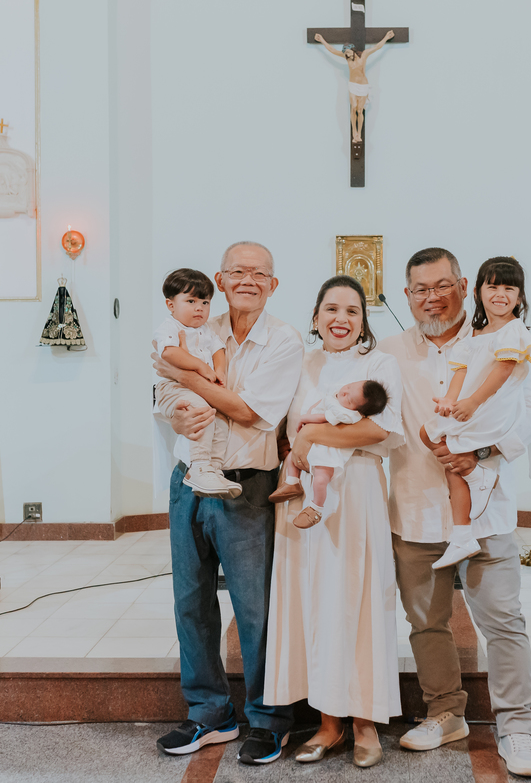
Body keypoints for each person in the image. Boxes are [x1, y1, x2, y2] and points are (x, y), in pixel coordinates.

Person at [379, 247, 531, 778]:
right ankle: (445, 712)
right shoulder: (387, 352)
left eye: (442, 285)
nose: (432, 297)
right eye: (420, 289)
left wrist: (482, 452)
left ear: (464, 284)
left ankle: (516, 728)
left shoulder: (496, 343)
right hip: (413, 510)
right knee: (426, 624)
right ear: (406, 295)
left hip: (485, 508)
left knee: (503, 621)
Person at [153, 242, 303, 765]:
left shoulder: (284, 341)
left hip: (247, 487)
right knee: (191, 604)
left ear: (273, 284)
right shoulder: (199, 325)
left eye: (259, 273)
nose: (248, 280)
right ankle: (209, 714)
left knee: (255, 609)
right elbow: (158, 386)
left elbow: (247, 411)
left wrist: (187, 379)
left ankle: (268, 718)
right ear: (221, 278)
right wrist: (173, 410)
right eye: (237, 271)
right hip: (187, 482)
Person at [264, 276, 405, 769]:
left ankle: (365, 722)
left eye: (351, 310)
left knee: (358, 600)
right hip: (304, 496)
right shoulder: (301, 364)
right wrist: (299, 447)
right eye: (330, 309)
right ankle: (328, 723)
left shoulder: (380, 364)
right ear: (316, 316)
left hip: (358, 493)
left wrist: (313, 436)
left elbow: (382, 428)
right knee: (315, 603)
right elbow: (281, 426)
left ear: (363, 320)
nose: (340, 319)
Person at [422, 257, 531, 569]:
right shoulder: (473, 336)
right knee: (431, 437)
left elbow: (503, 372)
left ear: (519, 297)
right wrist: (449, 401)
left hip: (489, 415)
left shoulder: (514, 333)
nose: (500, 294)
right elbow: (461, 372)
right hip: (469, 411)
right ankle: (463, 532)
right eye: (493, 286)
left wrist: (472, 404)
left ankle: (475, 481)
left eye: (510, 288)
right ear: (478, 291)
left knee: (453, 454)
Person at [151, 268, 238, 499]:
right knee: (201, 413)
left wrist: (219, 370)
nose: (199, 307)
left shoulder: (205, 330)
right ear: (171, 305)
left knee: (220, 421)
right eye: (190, 301)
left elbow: (219, 349)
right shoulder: (170, 327)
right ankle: (198, 467)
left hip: (199, 392)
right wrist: (201, 367)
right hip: (173, 389)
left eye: (205, 302)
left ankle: (213, 469)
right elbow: (169, 353)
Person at [268, 378, 390, 529]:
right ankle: (292, 482)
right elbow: (320, 405)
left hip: (327, 452)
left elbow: (324, 417)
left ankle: (316, 509)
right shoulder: (338, 396)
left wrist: (305, 419)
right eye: (349, 386)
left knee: (320, 480)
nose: (344, 392)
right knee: (291, 458)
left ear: (357, 410)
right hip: (314, 445)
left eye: (349, 398)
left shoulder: (347, 414)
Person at [314, 30, 395, 147]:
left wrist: (386, 37)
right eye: (345, 54)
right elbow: (332, 50)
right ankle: (354, 134)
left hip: (363, 86)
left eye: (348, 52)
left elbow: (377, 47)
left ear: (352, 50)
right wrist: (322, 40)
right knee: (353, 108)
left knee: (360, 110)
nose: (347, 55)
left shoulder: (364, 55)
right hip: (352, 85)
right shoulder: (347, 58)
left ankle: (359, 135)